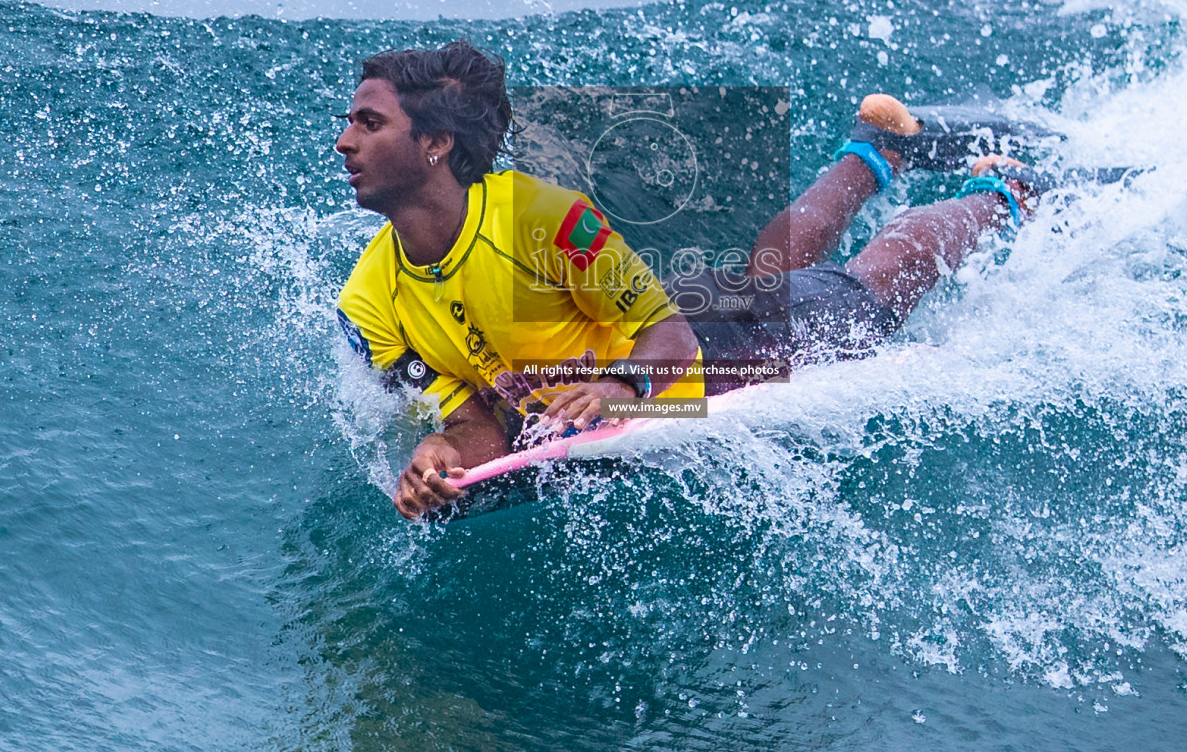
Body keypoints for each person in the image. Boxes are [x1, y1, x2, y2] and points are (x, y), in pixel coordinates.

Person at [334, 40, 1034, 520]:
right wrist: (440, 455)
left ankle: (1002, 197)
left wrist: (622, 388)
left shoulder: (537, 221)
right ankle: (876, 148)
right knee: (773, 275)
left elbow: (667, 334)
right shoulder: (369, 299)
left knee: (866, 296)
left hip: (687, 357)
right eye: (349, 122)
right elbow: (472, 414)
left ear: (435, 144)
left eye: (370, 123)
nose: (345, 142)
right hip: (643, 318)